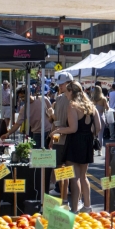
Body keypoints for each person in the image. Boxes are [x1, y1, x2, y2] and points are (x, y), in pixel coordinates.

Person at [56, 82, 102, 212]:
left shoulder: (73, 106)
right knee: (84, 176)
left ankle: (75, 208)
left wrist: (58, 130)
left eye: (66, 92)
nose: (65, 94)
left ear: (71, 92)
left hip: (75, 142)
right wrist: (89, 134)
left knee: (74, 178)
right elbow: (98, 127)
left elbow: (73, 128)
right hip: (87, 142)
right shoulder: (91, 106)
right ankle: (87, 206)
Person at [49, 72, 74, 200]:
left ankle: (70, 196)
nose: (60, 86)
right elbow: (56, 120)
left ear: (69, 83)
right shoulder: (59, 98)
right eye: (59, 84)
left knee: (71, 170)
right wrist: (52, 139)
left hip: (71, 137)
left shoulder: (76, 98)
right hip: (59, 137)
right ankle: (62, 194)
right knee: (60, 167)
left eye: (62, 84)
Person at [91, 86, 110, 153]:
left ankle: (92, 149)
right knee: (100, 135)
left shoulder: (92, 98)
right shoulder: (103, 99)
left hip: (93, 116)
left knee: (92, 134)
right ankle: (100, 150)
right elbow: (107, 108)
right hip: (101, 116)